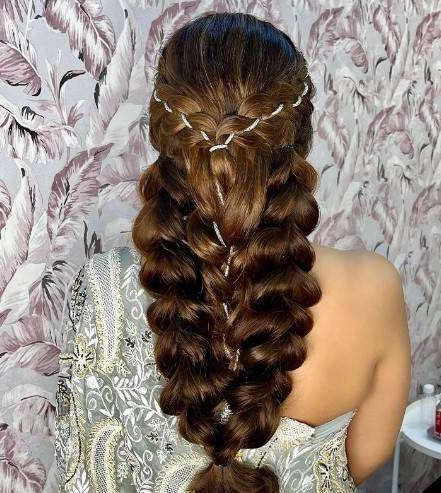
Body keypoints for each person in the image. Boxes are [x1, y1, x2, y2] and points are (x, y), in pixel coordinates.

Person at [54, 12, 411, 493]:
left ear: (162, 134)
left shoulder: (101, 293)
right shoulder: (374, 288)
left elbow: (79, 466)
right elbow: (367, 458)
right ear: (300, 137)